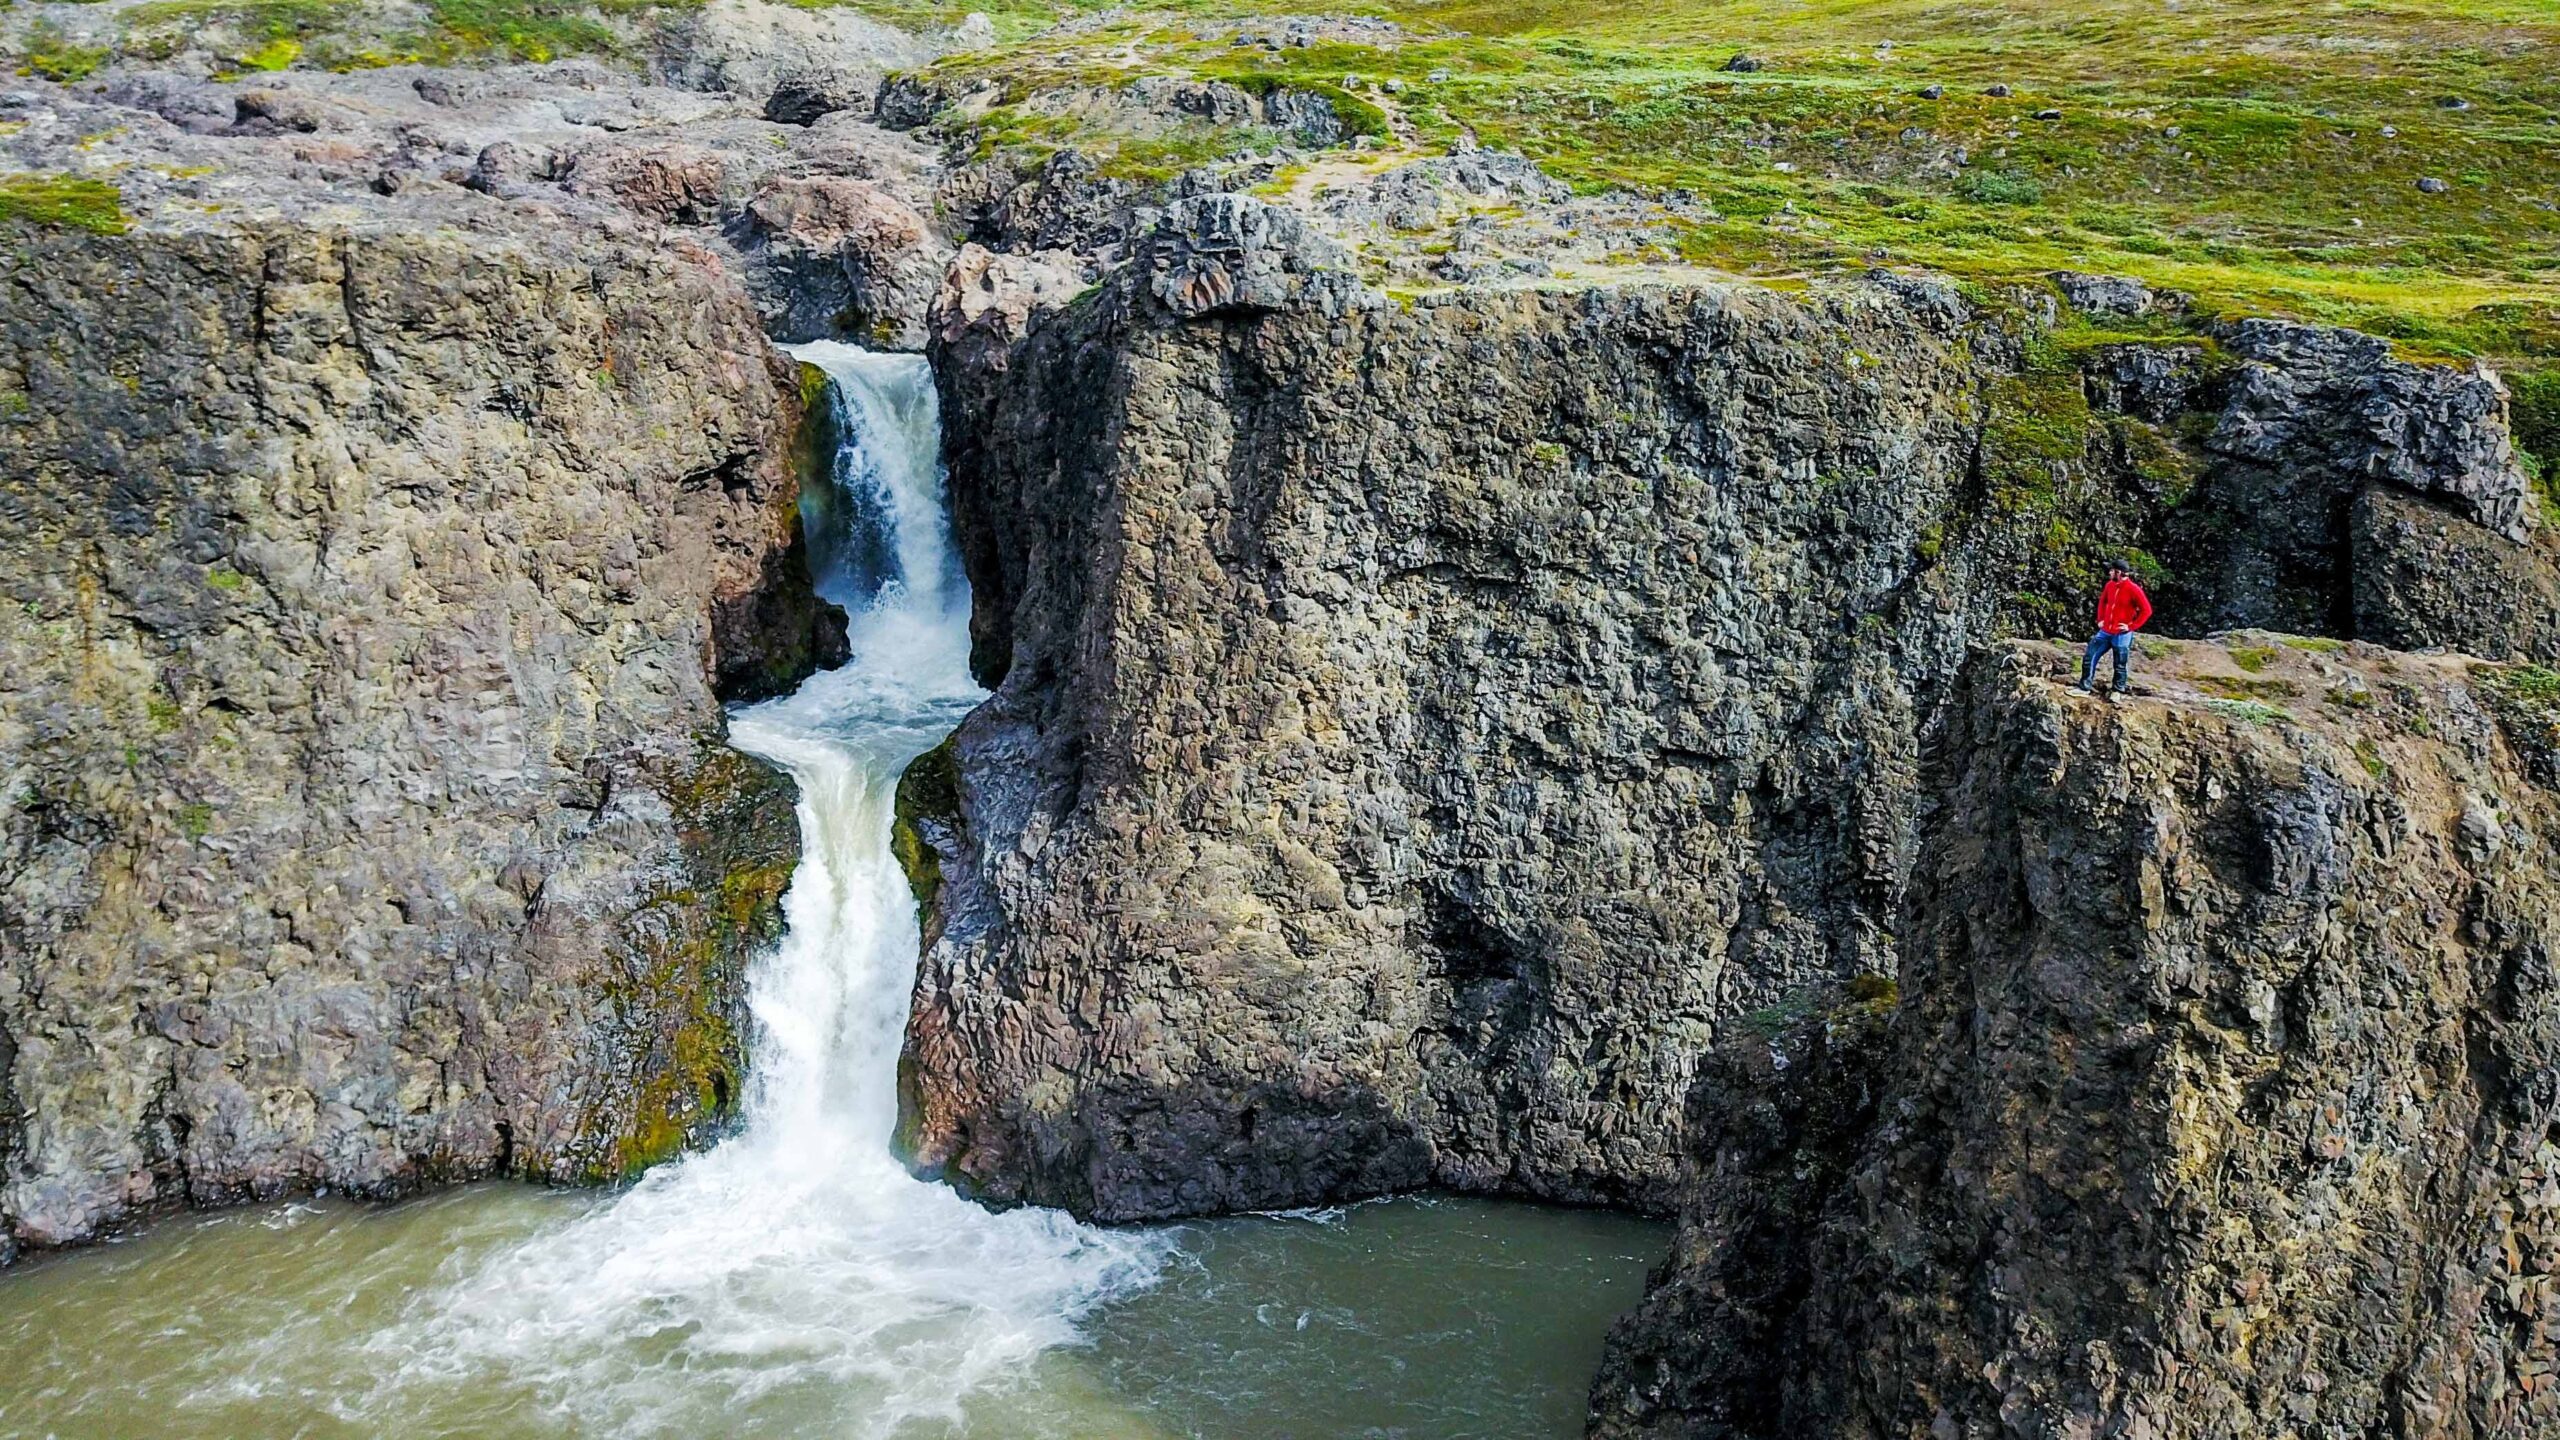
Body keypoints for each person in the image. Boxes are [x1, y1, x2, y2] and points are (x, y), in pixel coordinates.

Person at [2075, 560, 2153, 696]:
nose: (2109, 573)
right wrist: (2100, 619)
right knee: (2090, 655)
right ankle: (2084, 687)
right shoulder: (2109, 585)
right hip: (2105, 631)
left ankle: (2117, 690)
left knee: (2120, 662)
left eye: (2112, 570)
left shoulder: (2134, 589)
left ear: (2119, 573)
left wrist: (2131, 626)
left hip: (2122, 633)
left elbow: (2146, 610)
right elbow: (2102, 602)